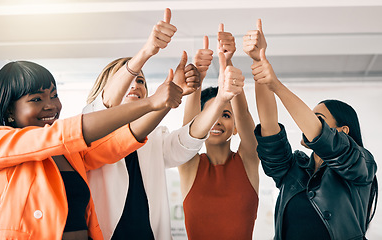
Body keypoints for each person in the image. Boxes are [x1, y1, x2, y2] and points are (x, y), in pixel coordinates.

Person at [0, 60, 183, 240]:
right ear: (9, 111)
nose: (51, 105)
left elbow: (117, 143)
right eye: (36, 99)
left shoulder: (68, 152)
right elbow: (64, 134)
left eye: (54, 95)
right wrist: (150, 103)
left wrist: (161, 104)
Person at [83, 8, 223, 240]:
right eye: (128, 79)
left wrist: (214, 93)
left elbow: (187, 142)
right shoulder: (89, 124)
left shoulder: (155, 137)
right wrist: (147, 52)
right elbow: (105, 106)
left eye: (141, 80)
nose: (136, 84)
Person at [248, 19, 378, 240]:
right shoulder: (294, 170)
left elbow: (322, 137)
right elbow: (268, 126)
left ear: (343, 131)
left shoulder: (360, 165)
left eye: (317, 118)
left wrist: (277, 85)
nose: (305, 122)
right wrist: (258, 62)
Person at [179, 24, 259, 240]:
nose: (217, 120)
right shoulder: (189, 165)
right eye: (211, 114)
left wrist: (229, 64)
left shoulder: (248, 160)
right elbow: (189, 129)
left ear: (234, 128)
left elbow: (243, 114)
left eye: (225, 114)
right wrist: (198, 77)